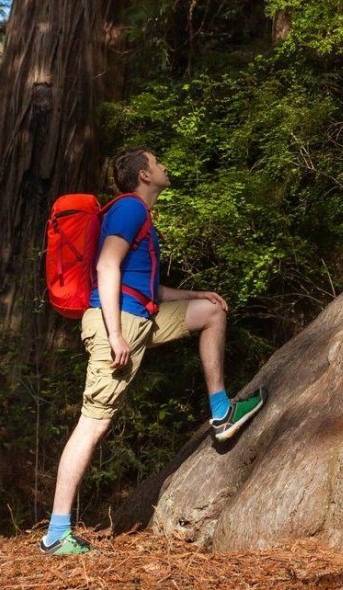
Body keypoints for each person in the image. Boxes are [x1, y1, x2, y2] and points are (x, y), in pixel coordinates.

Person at [40, 147, 265, 555]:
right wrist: (114, 334)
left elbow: (148, 288)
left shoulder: (140, 218)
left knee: (212, 312)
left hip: (140, 315)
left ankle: (221, 410)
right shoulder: (129, 210)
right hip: (119, 322)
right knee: (93, 423)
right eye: (158, 162)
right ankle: (57, 533)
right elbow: (107, 267)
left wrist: (197, 293)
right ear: (144, 175)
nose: (164, 166)